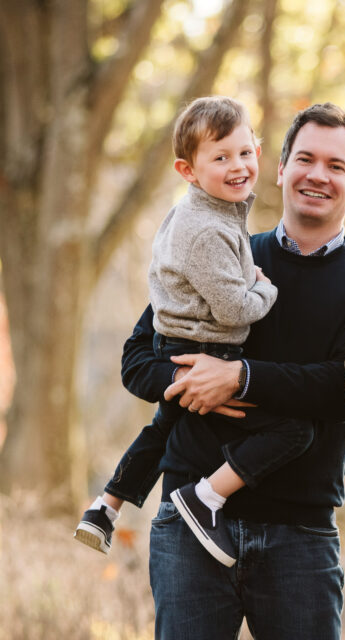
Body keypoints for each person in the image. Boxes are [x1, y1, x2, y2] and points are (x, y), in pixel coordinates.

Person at [120, 103, 345, 640]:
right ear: (281, 167)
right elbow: (139, 358)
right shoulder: (221, 247)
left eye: (336, 166)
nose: (318, 174)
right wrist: (192, 381)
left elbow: (341, 388)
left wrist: (240, 378)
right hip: (188, 526)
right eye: (305, 159)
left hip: (299, 533)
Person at [74, 96, 312, 569]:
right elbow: (235, 313)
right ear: (188, 170)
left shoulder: (208, 213)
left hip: (180, 340)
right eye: (220, 157)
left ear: (259, 152)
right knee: (295, 429)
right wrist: (265, 289)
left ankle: (105, 508)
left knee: (163, 428)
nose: (238, 166)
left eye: (244, 152)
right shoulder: (208, 230)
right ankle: (205, 497)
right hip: (202, 346)